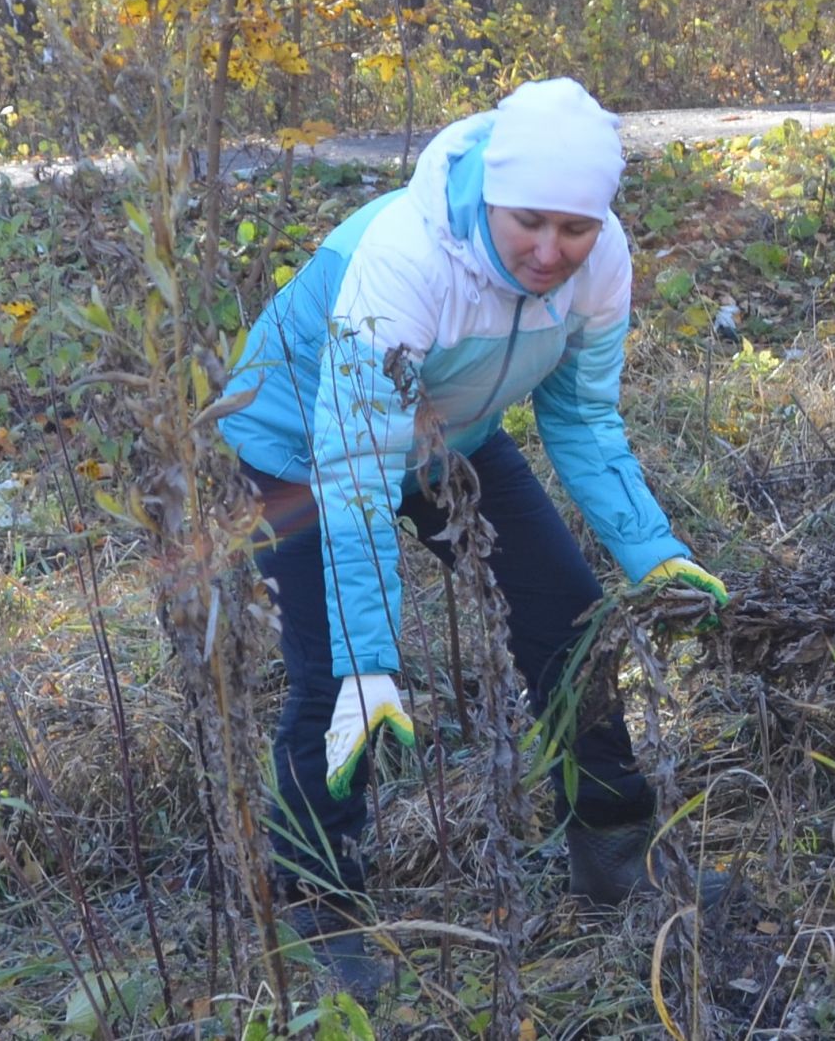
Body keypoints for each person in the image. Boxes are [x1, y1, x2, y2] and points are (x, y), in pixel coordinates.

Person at [220, 78, 728, 994]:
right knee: (340, 672)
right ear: (492, 196)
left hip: (450, 433)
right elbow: (355, 467)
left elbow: (585, 423)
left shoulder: (602, 263)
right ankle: (315, 912)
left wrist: (655, 554)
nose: (549, 251)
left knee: (570, 620)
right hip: (301, 444)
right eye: (528, 221)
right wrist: (376, 654)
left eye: (573, 228)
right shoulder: (407, 257)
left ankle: (615, 851)